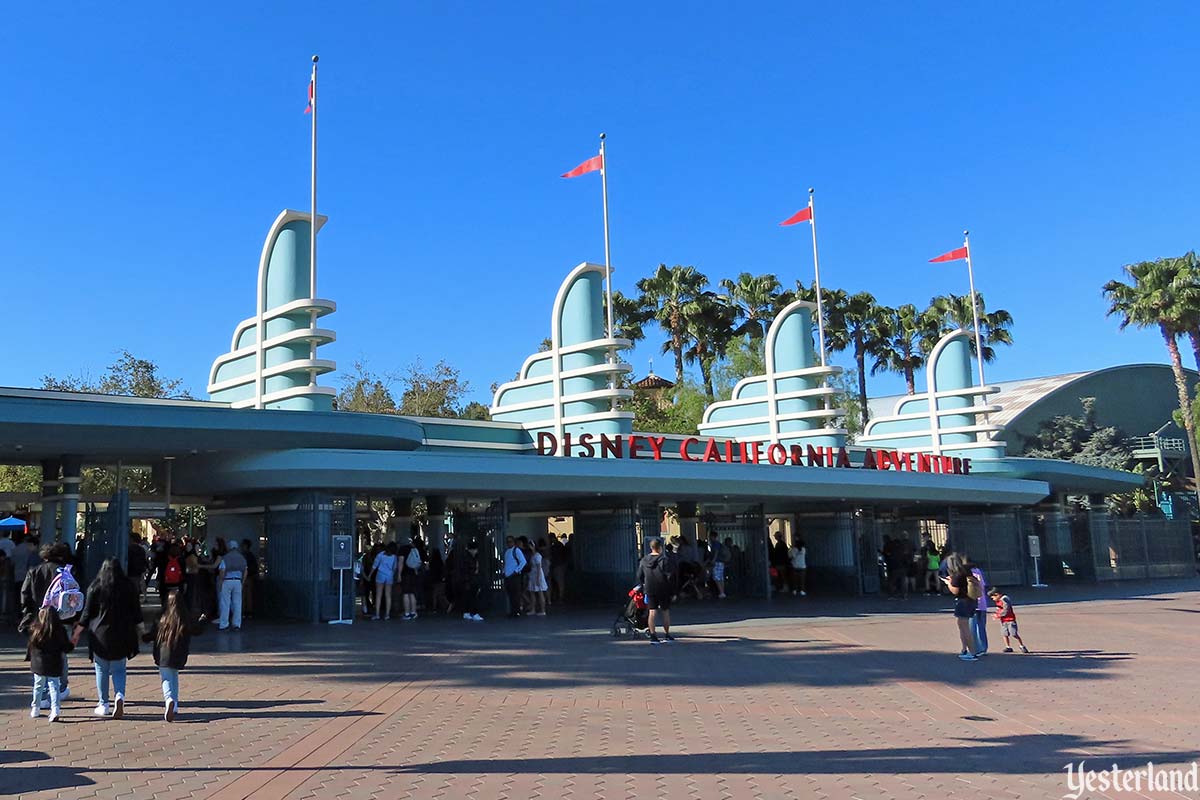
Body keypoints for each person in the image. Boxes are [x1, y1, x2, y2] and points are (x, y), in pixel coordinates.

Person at [74, 557, 142, 718]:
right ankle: (119, 696)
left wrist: (76, 633)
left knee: (101, 669)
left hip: (100, 634)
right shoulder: (128, 586)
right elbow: (137, 613)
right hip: (123, 633)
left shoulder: (95, 587)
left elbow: (86, 614)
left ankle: (103, 703)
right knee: (119, 669)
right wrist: (142, 632)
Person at [19, 542, 75, 703]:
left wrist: (27, 615)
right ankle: (61, 688)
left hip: (39, 619)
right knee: (61, 655)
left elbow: (25, 595)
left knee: (39, 652)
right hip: (63, 619)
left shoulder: (34, 571)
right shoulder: (67, 572)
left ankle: (42, 694)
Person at [143, 591, 208, 721]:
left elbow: (151, 635)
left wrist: (142, 636)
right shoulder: (184, 619)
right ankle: (175, 704)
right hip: (179, 655)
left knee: (166, 678)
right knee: (174, 676)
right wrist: (203, 619)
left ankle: (169, 699)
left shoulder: (161, 618)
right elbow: (197, 630)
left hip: (163, 655)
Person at [28, 605, 73, 722]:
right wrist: (72, 643)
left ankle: (35, 708)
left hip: (39, 664)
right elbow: (66, 647)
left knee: (38, 686)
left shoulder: (36, 629)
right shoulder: (60, 630)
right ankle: (55, 709)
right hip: (54, 663)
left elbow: (31, 643)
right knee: (54, 687)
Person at [635, 537, 675, 644]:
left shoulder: (643, 560)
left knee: (652, 612)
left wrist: (644, 584)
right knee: (665, 611)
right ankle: (667, 635)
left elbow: (639, 575)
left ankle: (653, 636)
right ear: (660, 548)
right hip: (663, 589)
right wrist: (672, 590)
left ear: (651, 548)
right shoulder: (664, 560)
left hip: (649, 588)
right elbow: (669, 576)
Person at [942, 554, 982, 661]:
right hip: (971, 600)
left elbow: (955, 591)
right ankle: (965, 649)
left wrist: (948, 584)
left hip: (962, 602)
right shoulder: (967, 573)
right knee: (964, 627)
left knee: (964, 628)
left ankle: (972, 652)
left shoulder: (957, 575)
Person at [216, 543, 248, 631]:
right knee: (237, 603)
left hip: (227, 581)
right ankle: (237, 624)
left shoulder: (226, 557)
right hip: (238, 581)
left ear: (229, 548)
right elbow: (245, 571)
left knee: (225, 603)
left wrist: (221, 581)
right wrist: (242, 582)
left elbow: (222, 570)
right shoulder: (242, 558)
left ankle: (224, 624)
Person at [988, 587, 1030, 653]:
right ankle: (1008, 647)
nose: (993, 599)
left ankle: (1022, 645)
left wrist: (998, 615)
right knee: (1004, 634)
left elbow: (1006, 610)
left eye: (993, 597)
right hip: (1003, 620)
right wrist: (997, 615)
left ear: (997, 594)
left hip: (1010, 620)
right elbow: (999, 610)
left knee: (1014, 633)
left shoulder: (1004, 600)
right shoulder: (998, 601)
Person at [452, 539, 484, 622]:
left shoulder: (465, 557)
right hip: (471, 580)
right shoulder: (470, 559)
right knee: (473, 597)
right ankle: (474, 613)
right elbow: (469, 570)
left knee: (467, 597)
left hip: (467, 580)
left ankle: (467, 612)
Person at [966, 557, 989, 655]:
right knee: (981, 626)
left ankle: (974, 648)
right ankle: (983, 647)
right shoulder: (978, 571)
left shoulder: (967, 575)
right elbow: (982, 585)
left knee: (972, 627)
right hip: (982, 602)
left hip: (972, 602)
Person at [371, 543, 397, 621]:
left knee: (378, 595)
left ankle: (377, 614)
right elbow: (394, 568)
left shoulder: (380, 555)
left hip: (380, 575)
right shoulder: (394, 557)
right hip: (389, 576)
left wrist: (369, 575)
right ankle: (387, 615)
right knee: (388, 595)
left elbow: (374, 566)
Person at [502, 536, 527, 617]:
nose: (509, 543)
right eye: (507, 542)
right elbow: (506, 564)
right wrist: (504, 572)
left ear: (513, 542)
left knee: (516, 595)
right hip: (508, 576)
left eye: (510, 541)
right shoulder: (507, 552)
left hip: (514, 576)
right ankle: (513, 611)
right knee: (511, 595)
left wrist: (516, 571)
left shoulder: (516, 551)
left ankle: (517, 611)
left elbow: (523, 562)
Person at [398, 536, 422, 620]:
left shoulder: (402, 549)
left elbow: (401, 562)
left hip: (405, 573)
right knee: (412, 593)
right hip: (413, 573)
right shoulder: (414, 549)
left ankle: (407, 613)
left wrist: (399, 574)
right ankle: (413, 612)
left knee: (405, 593)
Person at [528, 538, 549, 616]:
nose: (530, 547)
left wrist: (538, 578)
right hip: (532, 574)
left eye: (531, 545)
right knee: (532, 592)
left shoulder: (537, 555)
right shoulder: (532, 555)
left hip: (537, 574)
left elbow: (539, 567)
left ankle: (543, 610)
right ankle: (533, 609)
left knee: (540, 593)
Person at [240, 539, 259, 619]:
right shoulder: (251, 555)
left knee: (243, 595)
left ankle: (244, 612)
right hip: (250, 577)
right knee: (249, 595)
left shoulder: (244, 555)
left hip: (245, 577)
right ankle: (249, 612)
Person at [127, 536, 149, 601]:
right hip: (139, 570)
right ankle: (139, 597)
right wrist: (146, 567)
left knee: (131, 584)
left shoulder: (128, 548)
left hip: (130, 569)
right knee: (139, 584)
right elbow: (144, 559)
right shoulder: (141, 549)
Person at [550, 534, 569, 603]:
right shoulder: (559, 545)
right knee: (559, 582)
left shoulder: (556, 546)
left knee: (559, 582)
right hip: (559, 565)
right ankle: (560, 596)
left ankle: (560, 597)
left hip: (558, 565)